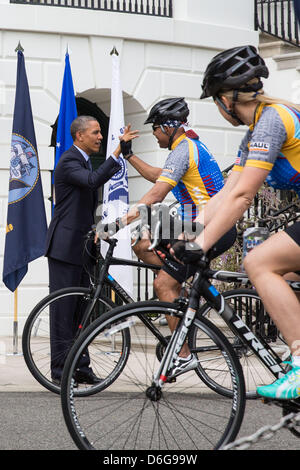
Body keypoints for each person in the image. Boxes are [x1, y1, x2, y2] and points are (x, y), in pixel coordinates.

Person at [170, 45, 300, 399]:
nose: (217, 107)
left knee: (259, 262)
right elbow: (227, 192)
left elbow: (244, 197)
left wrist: (202, 245)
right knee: (282, 277)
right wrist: (192, 232)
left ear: (227, 99)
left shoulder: (272, 120)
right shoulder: (257, 129)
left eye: (214, 99)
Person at [99, 97, 236, 378]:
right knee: (143, 243)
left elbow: (155, 196)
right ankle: (182, 290)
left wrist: (115, 224)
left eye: (156, 129)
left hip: (209, 227)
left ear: (168, 127)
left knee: (162, 284)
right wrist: (129, 155)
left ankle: (183, 354)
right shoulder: (187, 146)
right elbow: (158, 176)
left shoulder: (182, 150)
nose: (154, 134)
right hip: (201, 224)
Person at [45, 115, 138, 384]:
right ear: (79, 136)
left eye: (101, 133)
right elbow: (93, 180)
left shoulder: (82, 160)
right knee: (63, 312)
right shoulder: (68, 161)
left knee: (81, 314)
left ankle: (81, 369)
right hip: (64, 248)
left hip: (83, 248)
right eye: (96, 133)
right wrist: (118, 150)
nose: (100, 137)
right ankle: (61, 373)